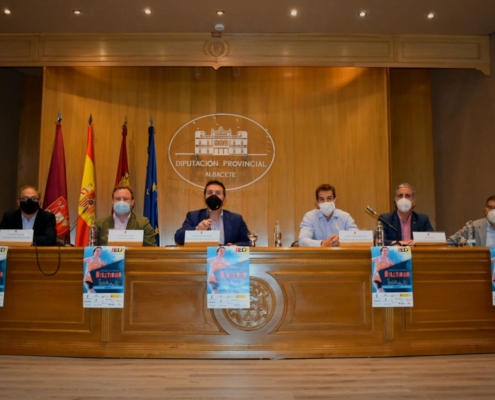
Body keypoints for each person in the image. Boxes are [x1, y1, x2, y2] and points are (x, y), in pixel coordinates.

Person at [174, 180, 250, 246]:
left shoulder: (236, 219)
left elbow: (249, 241)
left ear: (224, 200)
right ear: (204, 198)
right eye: (210, 193)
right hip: (202, 260)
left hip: (228, 261)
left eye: (218, 193)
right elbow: (178, 238)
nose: (214, 196)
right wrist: (197, 229)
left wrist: (235, 246)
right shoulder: (194, 216)